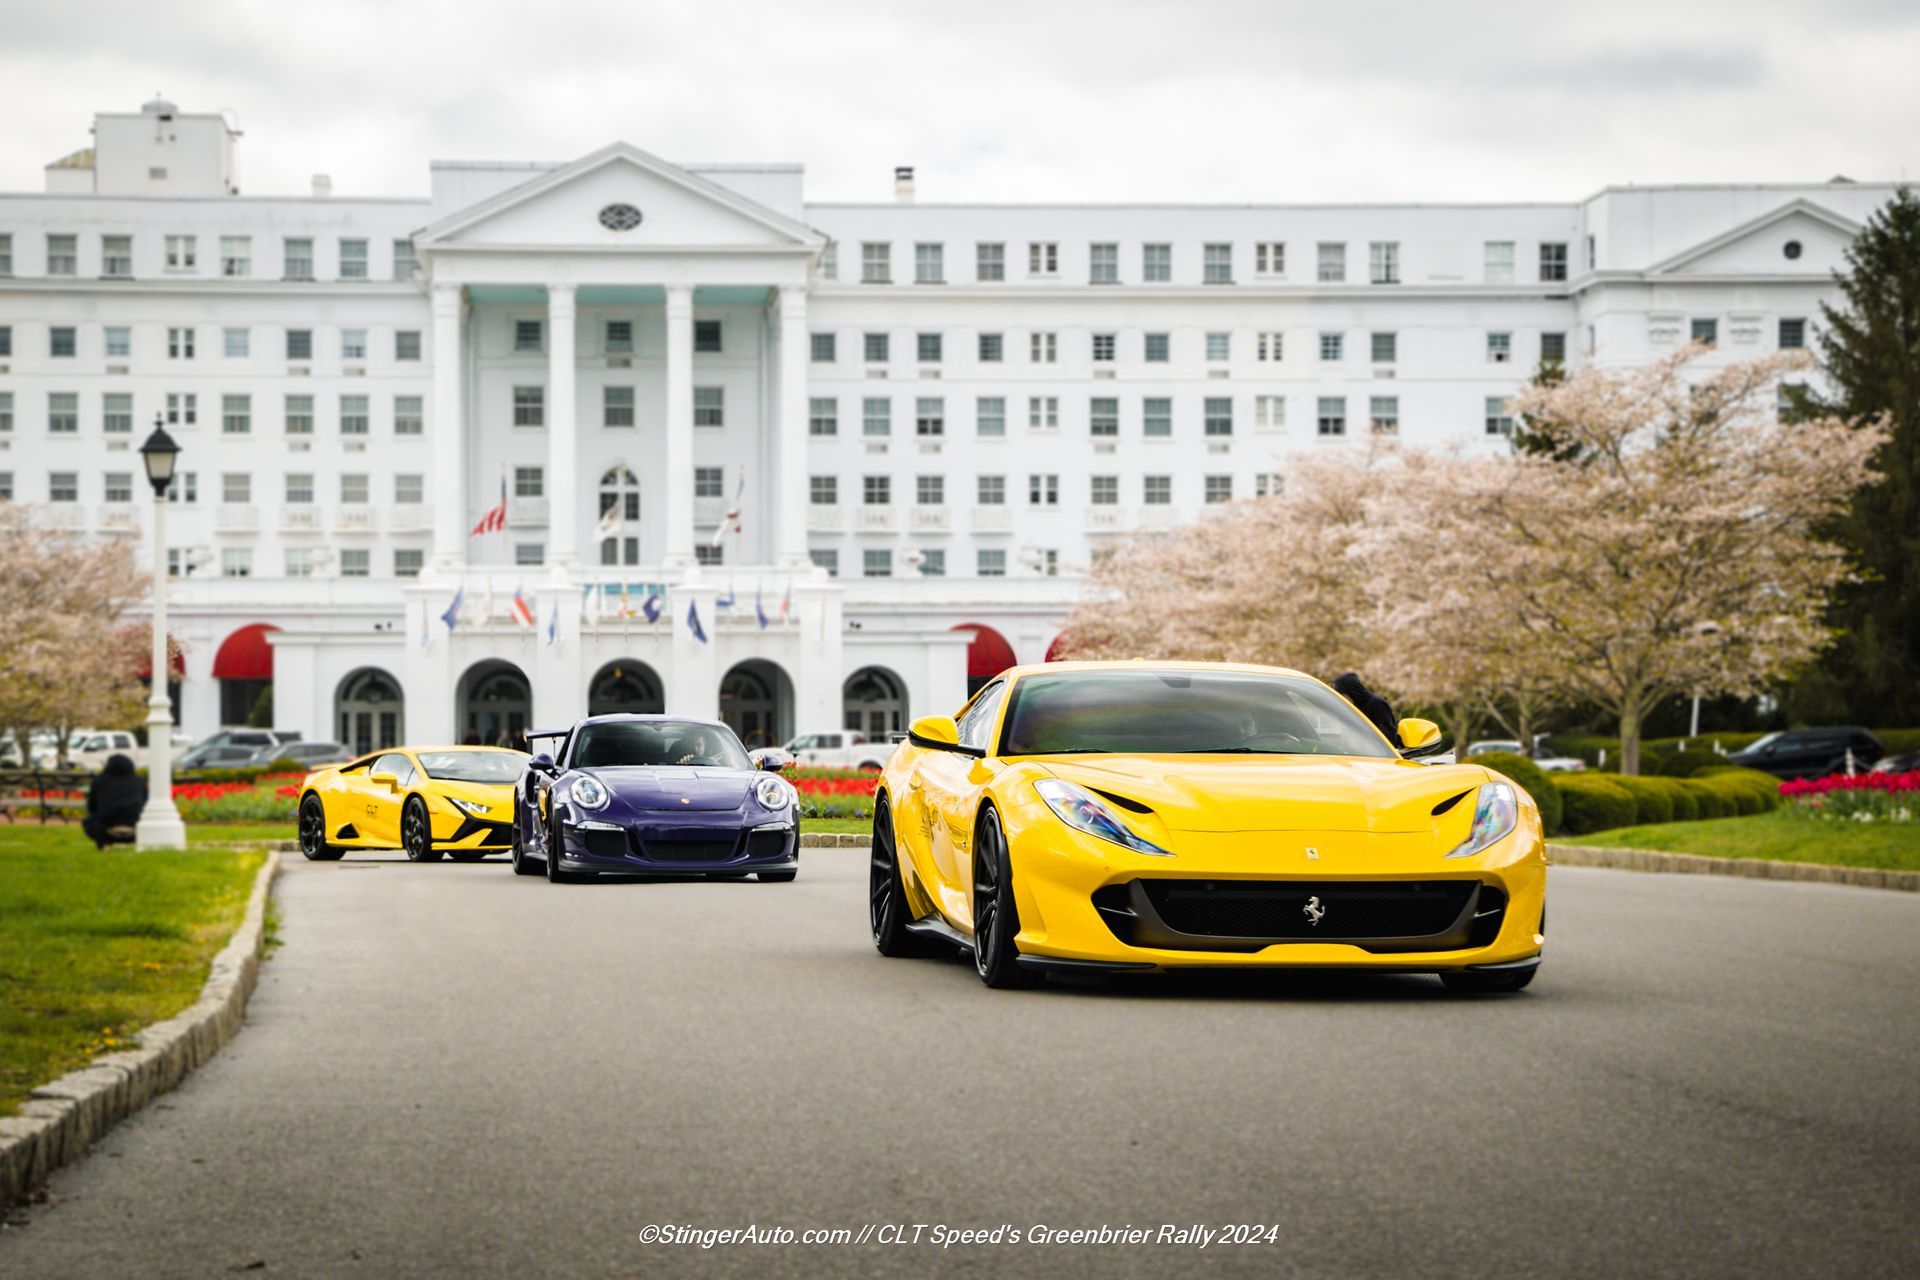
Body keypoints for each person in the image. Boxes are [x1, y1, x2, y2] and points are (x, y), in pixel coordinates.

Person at [82, 753, 147, 849]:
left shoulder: (99, 781)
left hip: (105, 829)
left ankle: (104, 845)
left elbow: (92, 807)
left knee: (88, 822)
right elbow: (146, 803)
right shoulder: (139, 781)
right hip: (136, 828)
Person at [1332, 672, 1404, 749]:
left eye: (1342, 696)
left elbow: (1388, 735)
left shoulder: (1376, 703)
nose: (1342, 700)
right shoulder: (1355, 706)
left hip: (1381, 752)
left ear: (1351, 692)